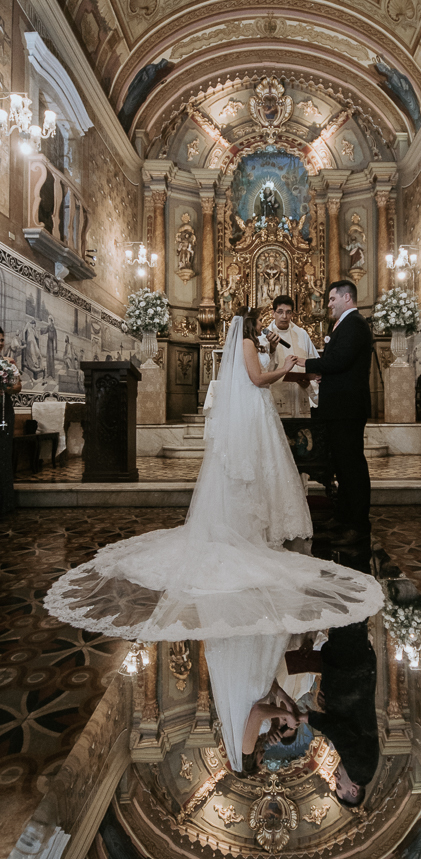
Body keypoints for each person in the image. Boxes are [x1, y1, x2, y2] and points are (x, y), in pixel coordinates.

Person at [44, 307, 384, 772]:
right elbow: (266, 705)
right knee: (251, 481)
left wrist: (280, 369)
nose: (273, 746)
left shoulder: (246, 750)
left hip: (244, 674)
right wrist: (286, 708)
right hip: (251, 674)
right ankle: (245, 532)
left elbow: (260, 711)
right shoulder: (247, 345)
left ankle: (244, 533)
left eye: (272, 746)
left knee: (250, 483)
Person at [297, 280, 373, 546]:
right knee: (341, 465)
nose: (328, 304)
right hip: (338, 407)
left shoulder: (355, 324)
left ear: (347, 298)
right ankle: (342, 517)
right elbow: (339, 362)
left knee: (352, 467)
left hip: (348, 407)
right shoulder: (342, 324)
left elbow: (339, 360)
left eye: (331, 299)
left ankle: (358, 525)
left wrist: (305, 362)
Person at [298, 620, 378, 809]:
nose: (334, 777)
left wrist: (328, 706)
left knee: (346, 618)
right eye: (338, 784)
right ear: (353, 790)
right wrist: (306, 718)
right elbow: (339, 732)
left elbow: (348, 724)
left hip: (351, 670)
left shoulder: (363, 769)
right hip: (350, 667)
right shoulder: (360, 771)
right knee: (348, 617)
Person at [261, 295, 320, 417]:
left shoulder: (302, 334)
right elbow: (261, 370)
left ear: (292, 314)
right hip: (275, 394)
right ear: (273, 313)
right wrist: (272, 348)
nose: (284, 316)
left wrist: (309, 382)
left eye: (288, 312)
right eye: (280, 312)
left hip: (301, 394)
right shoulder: (264, 337)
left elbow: (315, 362)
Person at [0, 326, 22, 516]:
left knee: (4, 454)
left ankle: (5, 502)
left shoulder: (8, 363)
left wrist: (8, 388)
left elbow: (18, 386)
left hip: (4, 410)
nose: (0, 343)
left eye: (1, 339)